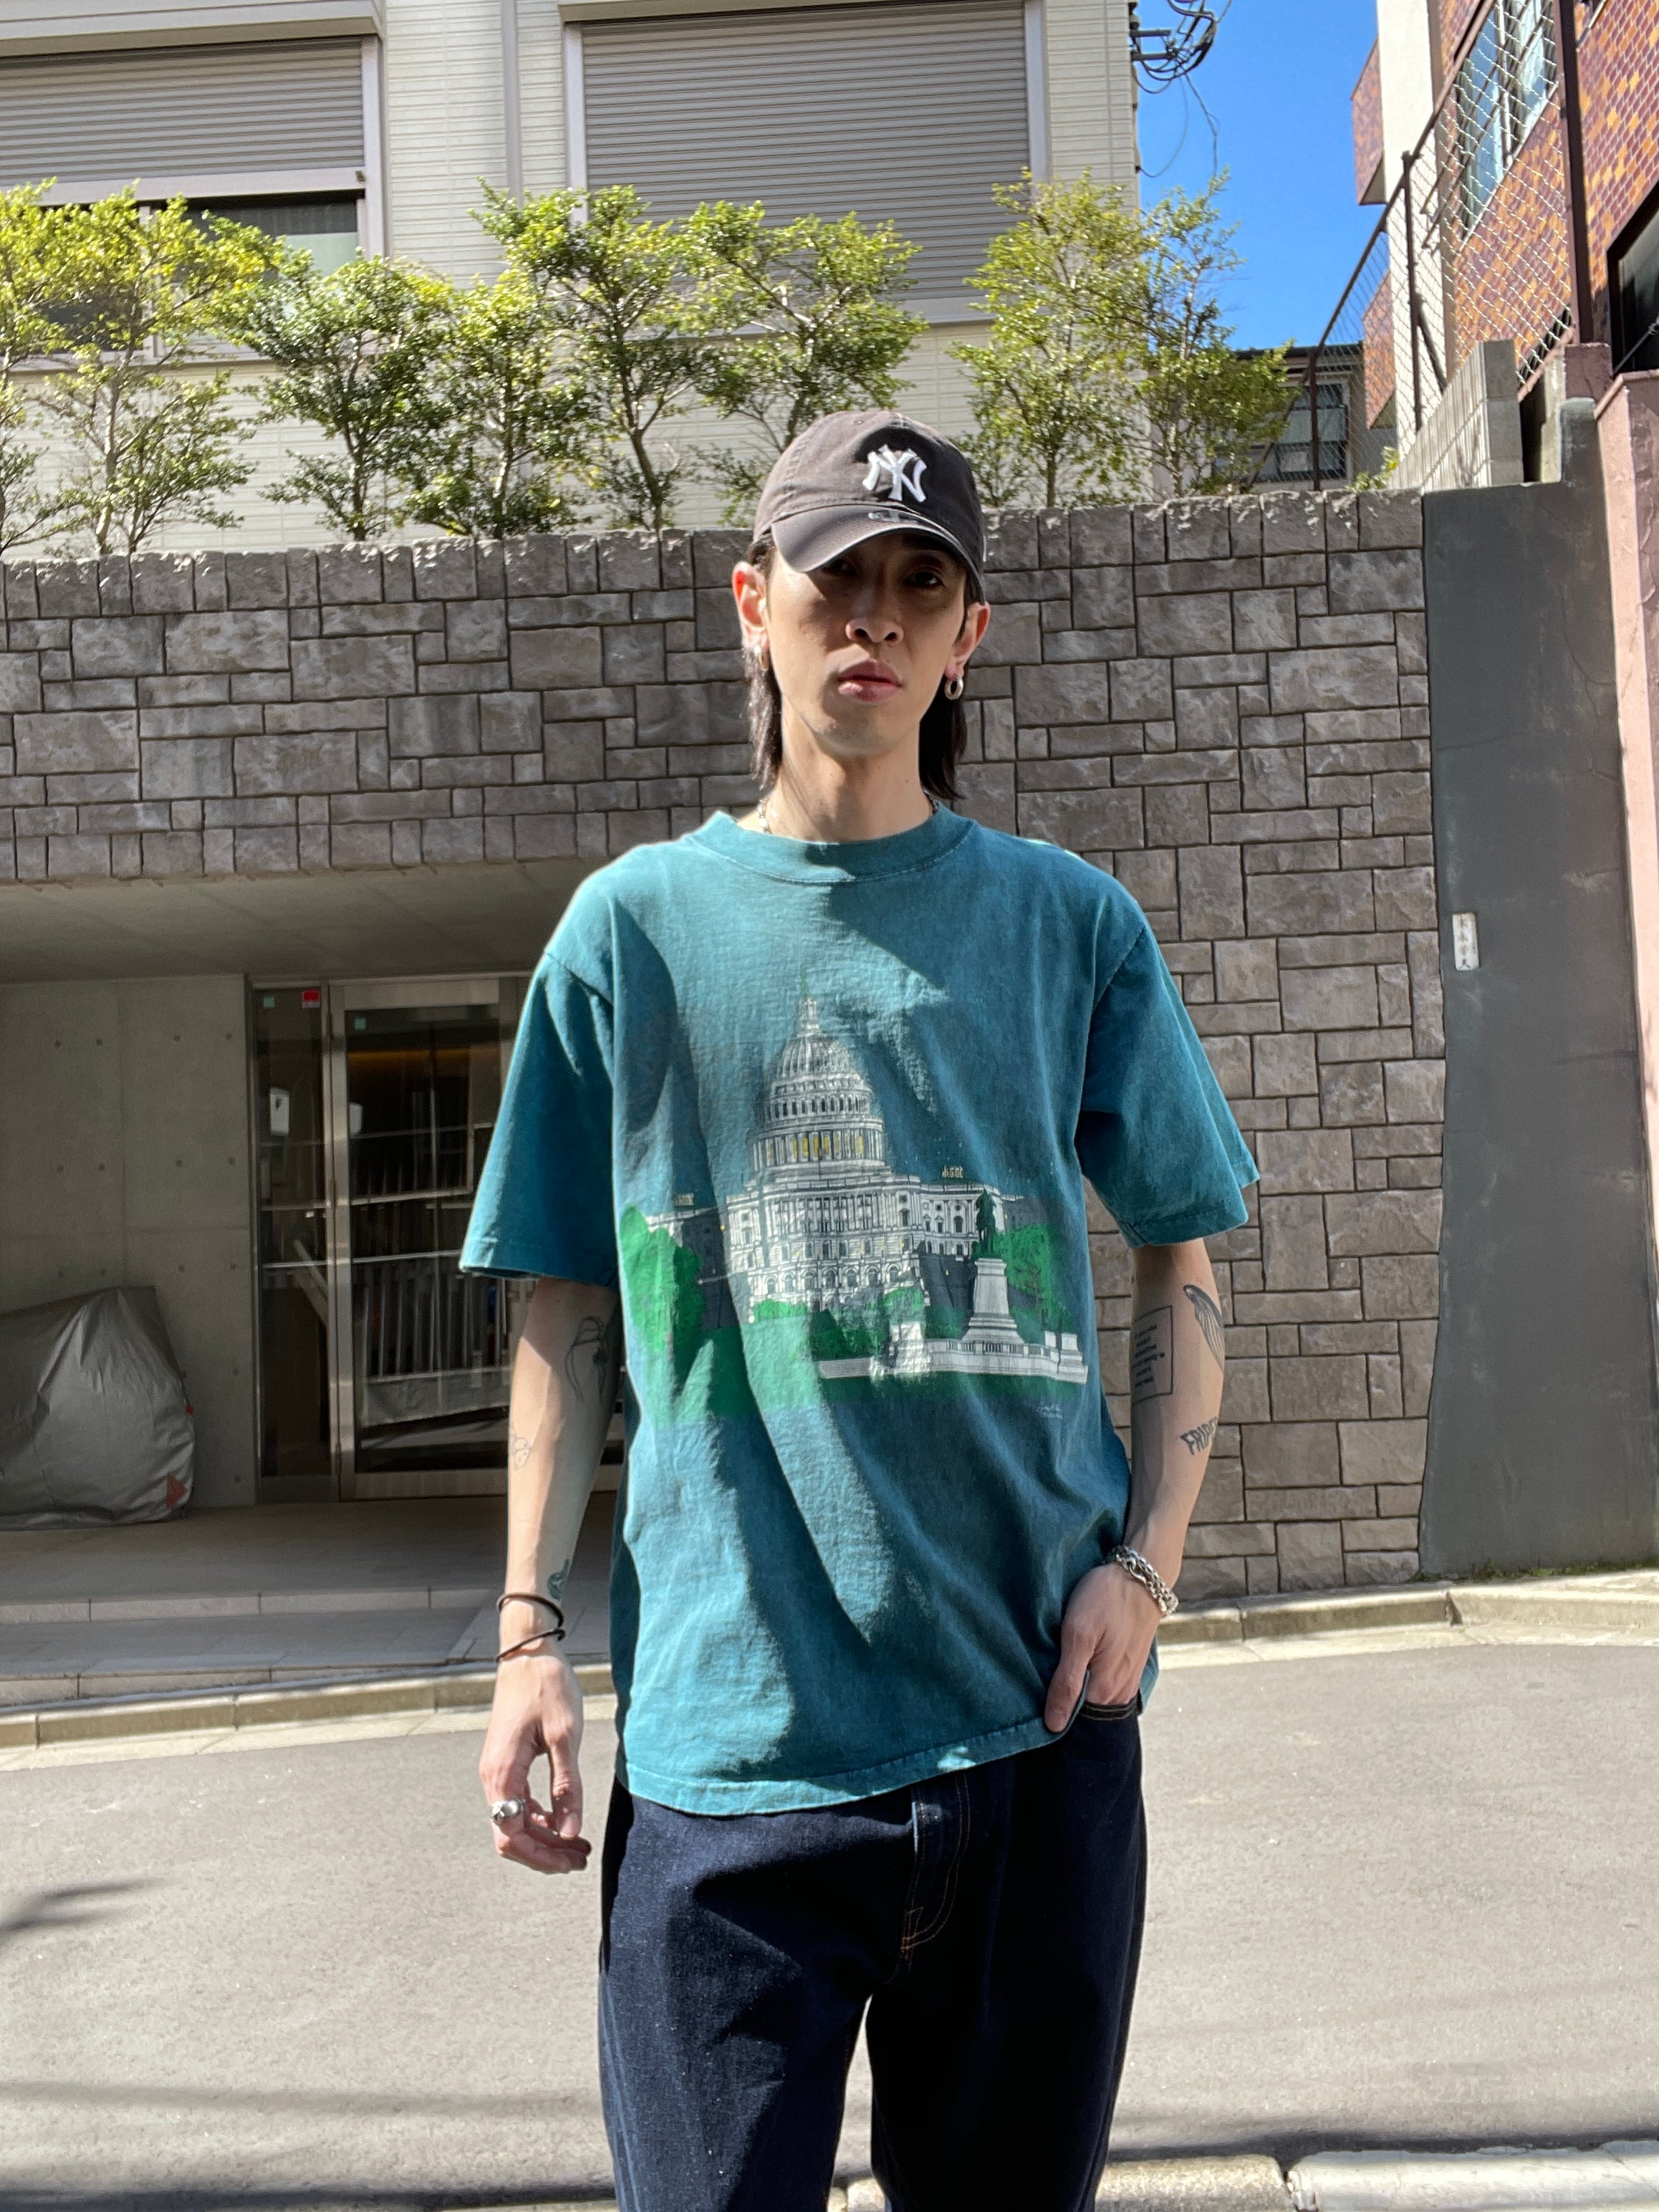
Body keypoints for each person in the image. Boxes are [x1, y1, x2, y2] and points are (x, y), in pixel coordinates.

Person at [461, 409, 1256, 2212]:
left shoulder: (1072, 927)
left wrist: (1149, 1565)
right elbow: (562, 1302)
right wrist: (526, 1637)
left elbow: (1183, 1248)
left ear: (968, 635)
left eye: (919, 583)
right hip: (733, 1760)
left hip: (1031, 1736)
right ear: (756, 605)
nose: (873, 618)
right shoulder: (627, 935)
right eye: (837, 579)